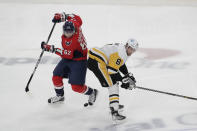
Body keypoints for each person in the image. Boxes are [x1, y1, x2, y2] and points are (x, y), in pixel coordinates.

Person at [41, 12, 98, 105]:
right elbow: (77, 17)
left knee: (76, 87)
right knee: (56, 76)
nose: (68, 34)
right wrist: (63, 16)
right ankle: (60, 96)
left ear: (74, 30)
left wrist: (50, 48)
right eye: (66, 31)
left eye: (70, 32)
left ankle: (92, 92)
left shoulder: (73, 42)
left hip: (79, 61)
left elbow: (66, 54)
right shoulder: (76, 24)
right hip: (70, 57)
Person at [87, 39, 139, 121]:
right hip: (97, 61)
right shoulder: (121, 53)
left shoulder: (122, 49)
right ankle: (114, 111)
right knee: (113, 85)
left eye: (133, 50)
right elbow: (112, 71)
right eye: (130, 48)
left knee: (113, 83)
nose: (131, 51)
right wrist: (123, 80)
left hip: (96, 58)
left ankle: (114, 105)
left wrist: (126, 74)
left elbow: (120, 64)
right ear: (126, 46)